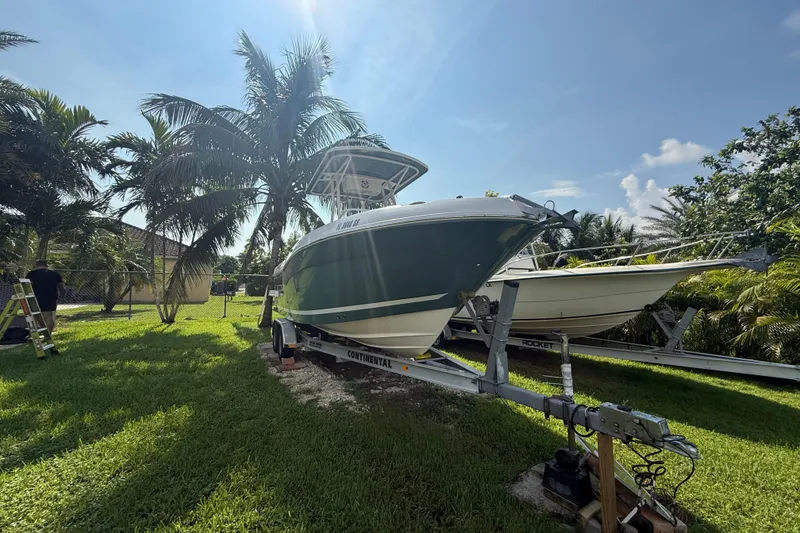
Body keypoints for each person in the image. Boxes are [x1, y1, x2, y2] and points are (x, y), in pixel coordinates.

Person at [26, 260, 64, 332]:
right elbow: (61, 286)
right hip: (51, 297)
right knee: (49, 316)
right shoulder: (54, 274)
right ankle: (49, 334)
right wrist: (62, 296)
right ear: (46, 265)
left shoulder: (31, 274)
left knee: (37, 316)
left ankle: (42, 332)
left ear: (36, 265)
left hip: (35, 297)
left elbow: (27, 286)